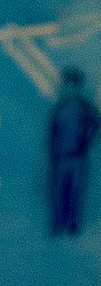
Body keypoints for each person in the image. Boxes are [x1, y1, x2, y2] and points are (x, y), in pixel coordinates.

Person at [50, 67, 100, 236]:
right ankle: (58, 222)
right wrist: (54, 150)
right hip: (61, 157)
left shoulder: (84, 106)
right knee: (59, 190)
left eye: (71, 85)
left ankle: (72, 223)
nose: (68, 88)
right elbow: (53, 131)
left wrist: (86, 139)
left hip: (77, 156)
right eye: (67, 85)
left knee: (74, 190)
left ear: (77, 86)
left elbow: (96, 123)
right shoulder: (60, 107)